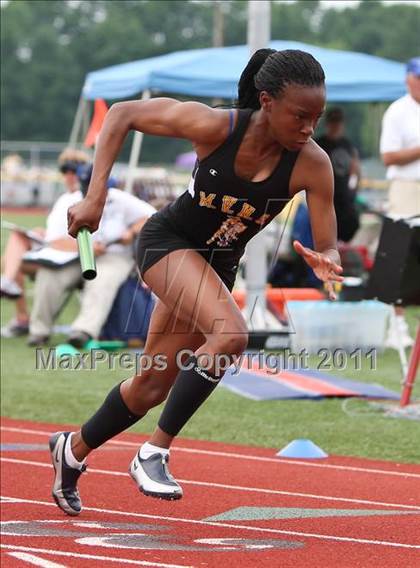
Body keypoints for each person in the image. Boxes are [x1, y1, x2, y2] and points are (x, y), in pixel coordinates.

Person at [48, 48, 343, 516]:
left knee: (149, 387)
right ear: (266, 102)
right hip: (168, 243)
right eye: (300, 116)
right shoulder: (214, 127)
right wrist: (94, 198)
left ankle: (72, 449)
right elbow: (122, 115)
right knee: (232, 334)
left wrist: (325, 259)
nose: (309, 128)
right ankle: (155, 453)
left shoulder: (313, 163)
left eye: (317, 117)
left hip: (215, 266)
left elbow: (328, 242)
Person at [28, 164, 156, 347]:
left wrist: (131, 231)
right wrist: (85, 248)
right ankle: (39, 331)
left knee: (103, 278)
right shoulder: (68, 202)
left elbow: (152, 216)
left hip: (113, 256)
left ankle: (83, 332)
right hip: (73, 256)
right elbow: (54, 239)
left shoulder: (121, 200)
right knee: (49, 276)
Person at [0, 149, 90, 338]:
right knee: (13, 248)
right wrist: (42, 234)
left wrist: (51, 241)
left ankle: (21, 313)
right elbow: (55, 232)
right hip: (51, 251)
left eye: (75, 170)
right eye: (65, 170)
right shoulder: (64, 198)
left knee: (12, 256)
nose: (69, 175)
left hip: (71, 260)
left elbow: (88, 239)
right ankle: (19, 309)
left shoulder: (87, 199)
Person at [379, 56, 420, 349]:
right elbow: (389, 156)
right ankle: (396, 323)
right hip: (406, 186)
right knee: (399, 255)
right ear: (409, 80)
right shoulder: (398, 111)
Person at [315, 107, 361, 243]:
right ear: (327, 124)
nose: (335, 125)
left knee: (349, 228)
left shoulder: (348, 145)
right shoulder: (319, 144)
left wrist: (352, 188)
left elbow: (355, 170)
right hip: (323, 197)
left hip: (344, 198)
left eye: (338, 122)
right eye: (333, 122)